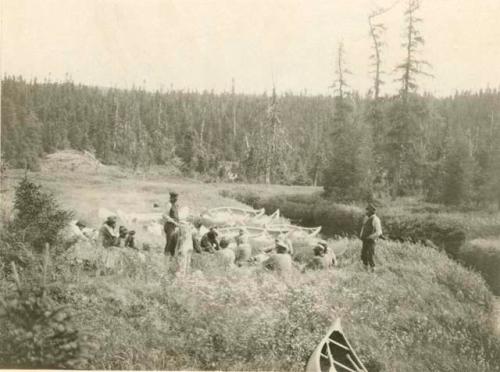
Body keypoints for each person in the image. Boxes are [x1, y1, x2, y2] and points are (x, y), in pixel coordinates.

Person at [359, 204, 382, 272]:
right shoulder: (367, 218)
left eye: (368, 211)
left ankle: (373, 270)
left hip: (371, 241)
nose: (366, 212)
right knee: (363, 255)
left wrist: (370, 237)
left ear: (372, 211)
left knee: (370, 255)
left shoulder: (376, 219)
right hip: (365, 240)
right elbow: (363, 229)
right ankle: (365, 270)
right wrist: (362, 236)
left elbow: (379, 232)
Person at [163, 191, 180, 256]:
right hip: (169, 225)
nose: (176, 199)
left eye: (177, 198)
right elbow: (164, 215)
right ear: (171, 198)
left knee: (174, 242)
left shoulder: (175, 205)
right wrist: (173, 221)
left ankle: (172, 257)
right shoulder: (169, 204)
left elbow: (176, 215)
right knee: (169, 242)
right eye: (175, 198)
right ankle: (166, 256)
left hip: (175, 226)